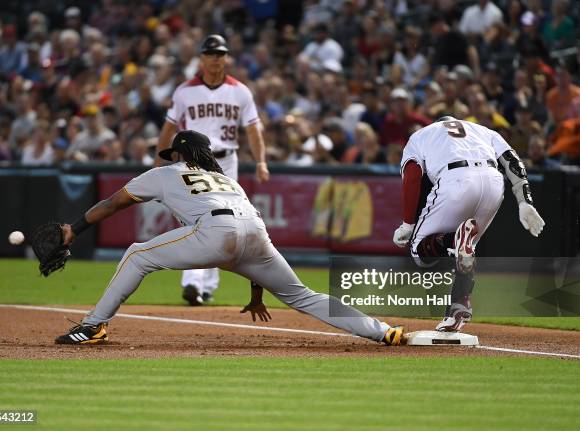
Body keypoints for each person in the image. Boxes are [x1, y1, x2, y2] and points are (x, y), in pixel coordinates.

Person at [54, 130, 404, 346]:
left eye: (173, 153)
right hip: (255, 235)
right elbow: (246, 236)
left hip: (217, 232)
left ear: (179, 154)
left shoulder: (166, 172)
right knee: (303, 295)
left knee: (137, 254)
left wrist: (74, 229)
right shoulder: (228, 181)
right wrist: (256, 290)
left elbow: (113, 203)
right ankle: (380, 330)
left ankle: (92, 326)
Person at [393, 117, 545, 332]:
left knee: (420, 251)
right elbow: (512, 161)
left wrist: (408, 224)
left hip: (455, 179)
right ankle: (458, 308)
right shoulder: (482, 130)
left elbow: (412, 176)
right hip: (493, 181)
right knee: (466, 250)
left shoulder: (421, 134)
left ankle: (454, 240)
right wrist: (525, 201)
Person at [155, 34, 270, 306]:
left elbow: (254, 130)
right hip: (192, 161)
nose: (216, 58)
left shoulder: (240, 91)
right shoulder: (184, 91)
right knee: (197, 218)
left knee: (224, 221)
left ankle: (206, 286)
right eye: (211, 53)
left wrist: (261, 160)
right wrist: (158, 162)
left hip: (226, 160)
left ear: (227, 57)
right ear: (201, 58)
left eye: (221, 53)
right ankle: (194, 282)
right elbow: (168, 129)